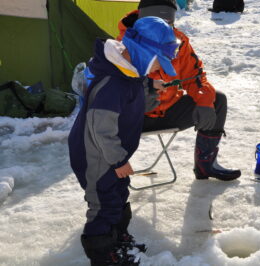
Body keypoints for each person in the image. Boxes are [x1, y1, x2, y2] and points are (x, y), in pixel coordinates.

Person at [68, 16, 179, 266]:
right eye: (154, 64)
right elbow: (101, 129)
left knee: (118, 192)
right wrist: (118, 160)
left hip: (111, 154)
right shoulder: (113, 84)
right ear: (141, 53)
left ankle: (117, 238)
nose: (155, 69)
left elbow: (136, 90)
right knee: (103, 202)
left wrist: (151, 86)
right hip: (95, 155)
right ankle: (101, 254)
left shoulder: (128, 72)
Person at [116, 0, 241, 181]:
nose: (165, 28)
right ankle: (112, 180)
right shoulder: (124, 45)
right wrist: (140, 99)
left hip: (170, 111)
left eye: (168, 23)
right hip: (135, 118)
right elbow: (115, 93)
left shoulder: (178, 42)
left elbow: (195, 77)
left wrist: (204, 102)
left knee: (217, 100)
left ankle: (205, 165)